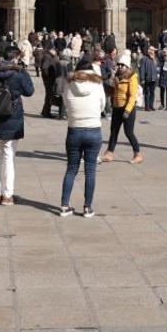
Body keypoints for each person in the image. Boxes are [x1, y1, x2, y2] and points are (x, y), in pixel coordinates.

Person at [0, 46, 35, 205]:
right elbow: (29, 91)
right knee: (8, 157)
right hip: (12, 115)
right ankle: (7, 195)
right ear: (15, 58)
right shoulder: (19, 73)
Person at [60, 58, 107, 217]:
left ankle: (65, 206)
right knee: (90, 170)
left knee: (71, 169)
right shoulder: (97, 84)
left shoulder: (69, 83)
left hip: (74, 129)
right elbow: (102, 105)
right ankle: (88, 207)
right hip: (93, 129)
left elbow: (66, 104)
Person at [100, 50, 142, 164]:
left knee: (128, 132)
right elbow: (114, 91)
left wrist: (127, 110)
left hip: (127, 108)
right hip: (117, 107)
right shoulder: (117, 76)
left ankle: (137, 153)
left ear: (127, 66)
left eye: (122, 65)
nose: (120, 66)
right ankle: (109, 153)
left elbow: (133, 96)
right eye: (118, 64)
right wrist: (112, 80)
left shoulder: (132, 77)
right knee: (113, 131)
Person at [138, 46, 158, 115]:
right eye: (153, 51)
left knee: (152, 92)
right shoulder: (144, 59)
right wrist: (142, 78)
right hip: (147, 78)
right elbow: (142, 69)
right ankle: (147, 106)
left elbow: (157, 67)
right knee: (147, 92)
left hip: (154, 78)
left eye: (154, 51)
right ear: (149, 51)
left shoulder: (155, 58)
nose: (154, 52)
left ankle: (151, 105)